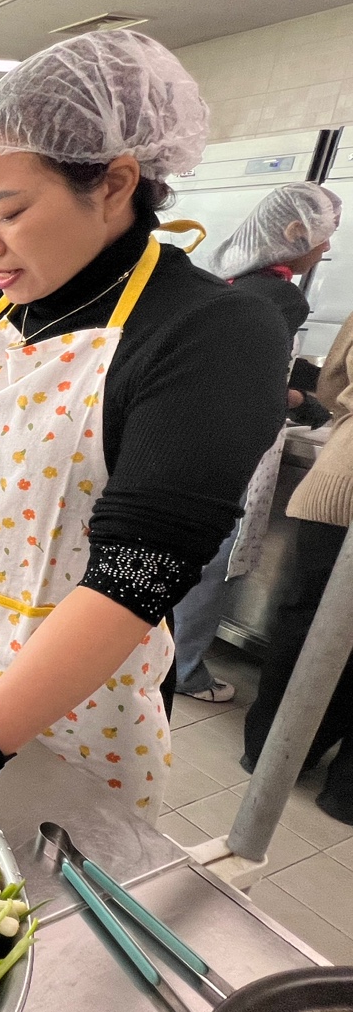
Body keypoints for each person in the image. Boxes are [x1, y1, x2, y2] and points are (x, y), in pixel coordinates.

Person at [0, 30, 289, 819]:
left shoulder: (215, 333)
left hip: (60, 720)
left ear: (117, 182)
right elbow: (18, 474)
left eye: (9, 212)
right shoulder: (3, 308)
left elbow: (136, 576)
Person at [170, 182, 342, 702]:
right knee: (213, 553)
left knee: (178, 549)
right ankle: (186, 668)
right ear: (294, 233)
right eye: (324, 235)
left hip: (182, 433)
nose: (328, 248)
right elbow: (254, 381)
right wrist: (302, 402)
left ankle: (157, 655)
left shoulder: (220, 276)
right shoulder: (281, 297)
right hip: (228, 443)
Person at [243, 308, 353, 824]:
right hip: (340, 485)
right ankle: (345, 794)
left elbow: (329, 390)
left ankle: (269, 752)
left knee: (302, 623)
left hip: (340, 483)